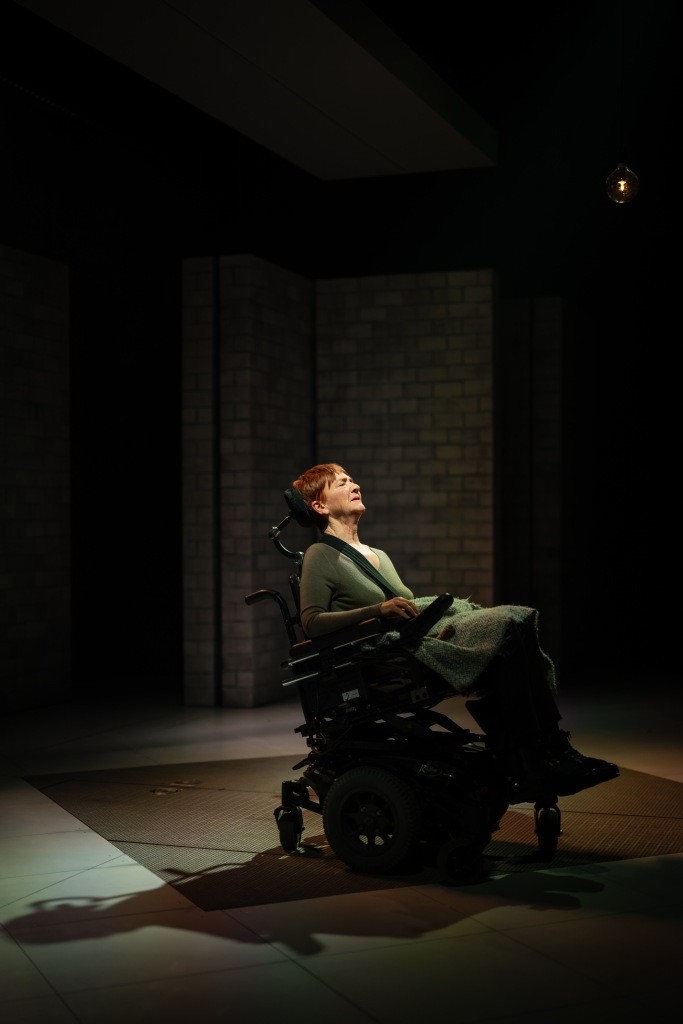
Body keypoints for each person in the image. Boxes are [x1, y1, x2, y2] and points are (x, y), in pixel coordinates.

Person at [291, 461, 620, 800]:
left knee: (514, 625)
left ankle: (545, 750)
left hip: (408, 642)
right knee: (504, 627)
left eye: (352, 479)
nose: (354, 485)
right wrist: (378, 610)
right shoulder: (320, 555)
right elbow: (312, 622)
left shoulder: (378, 555)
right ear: (319, 505)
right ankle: (537, 757)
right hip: (381, 658)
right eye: (342, 483)